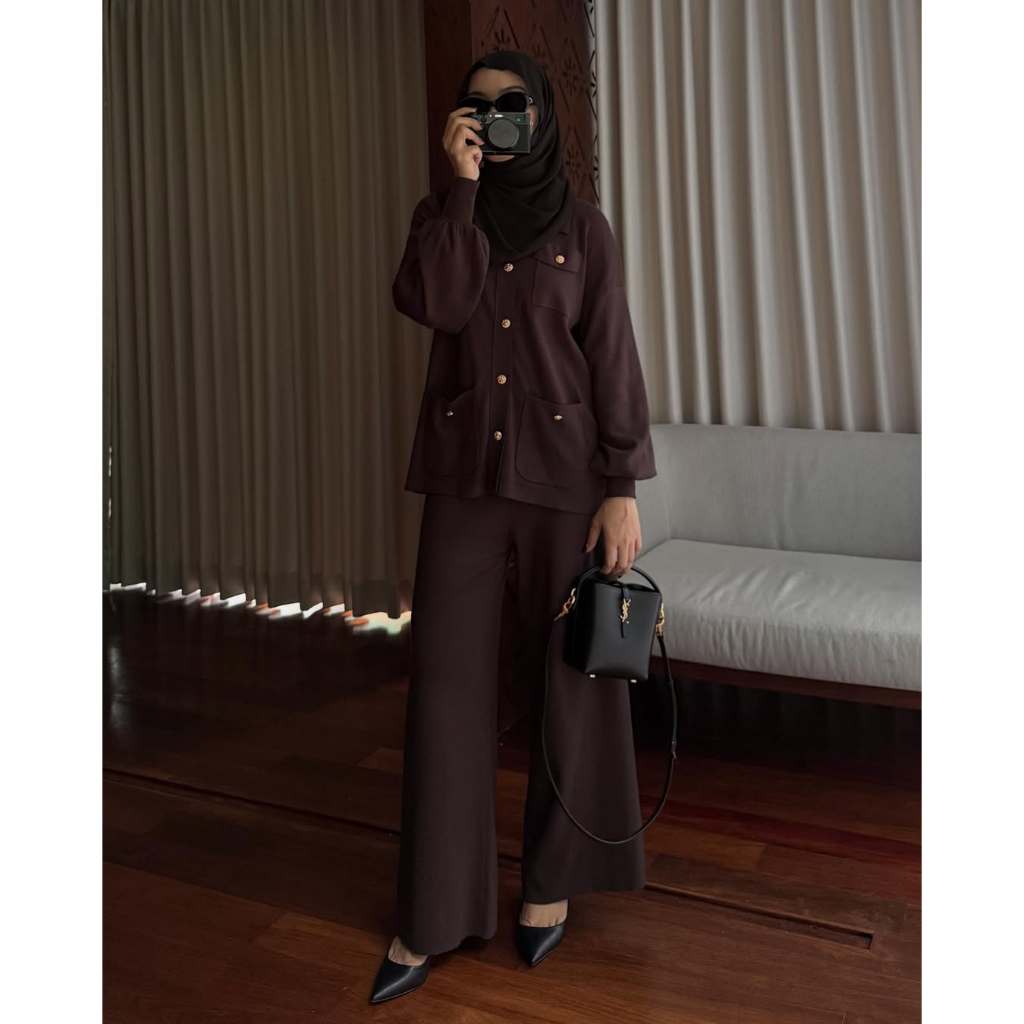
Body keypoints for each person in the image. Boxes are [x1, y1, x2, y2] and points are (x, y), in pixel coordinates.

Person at [370, 49, 657, 1004]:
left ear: (540, 118)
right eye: (478, 106)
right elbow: (437, 305)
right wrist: (457, 192)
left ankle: (551, 884)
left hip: (567, 484)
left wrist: (621, 484)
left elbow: (610, 350)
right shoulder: (440, 219)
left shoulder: (585, 229)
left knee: (570, 685)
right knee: (446, 689)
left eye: (511, 105)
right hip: (464, 483)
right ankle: (432, 911)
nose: (494, 120)